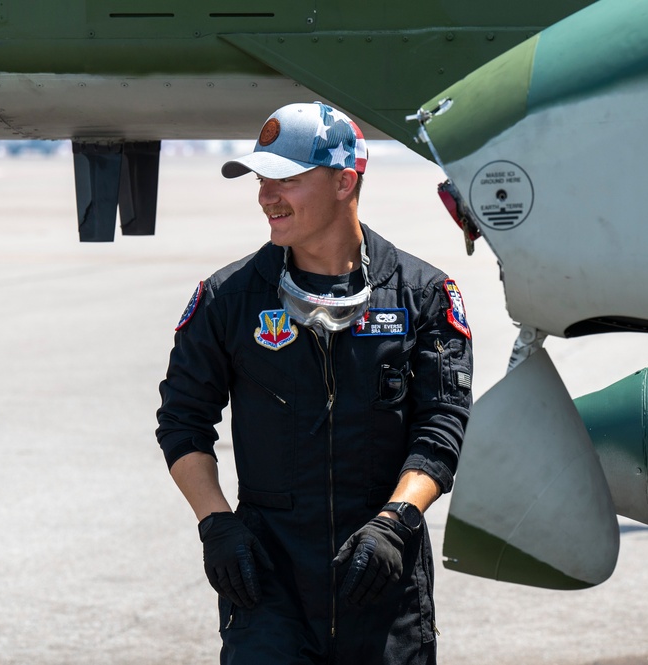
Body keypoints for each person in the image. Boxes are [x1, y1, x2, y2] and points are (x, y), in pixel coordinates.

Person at [156, 101, 472, 665]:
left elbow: (442, 426)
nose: (265, 196)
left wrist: (396, 522)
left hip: (381, 577)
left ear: (345, 181)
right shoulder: (227, 300)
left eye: (286, 179)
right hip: (266, 582)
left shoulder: (423, 295)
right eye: (261, 179)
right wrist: (216, 523)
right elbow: (182, 422)